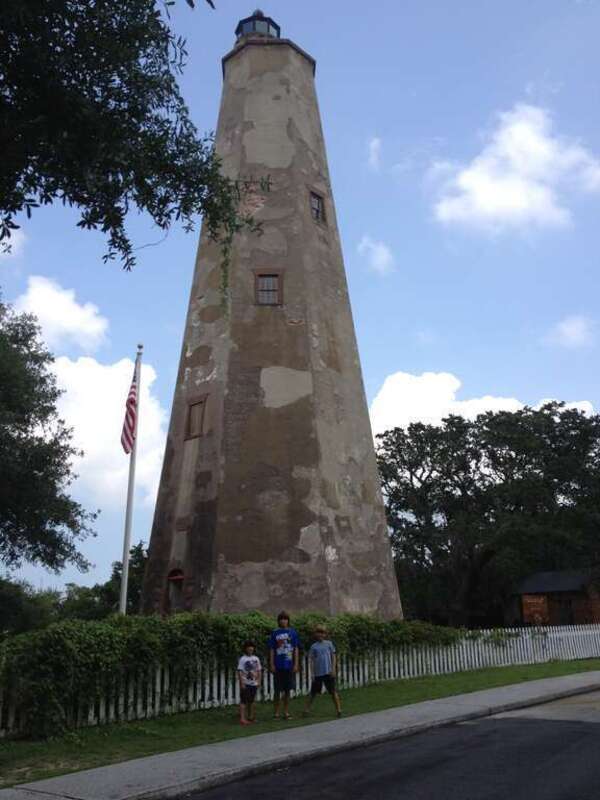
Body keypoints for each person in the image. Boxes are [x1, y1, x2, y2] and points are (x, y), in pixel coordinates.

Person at [302, 624, 342, 718]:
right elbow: (311, 660)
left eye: (322, 633)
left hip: (328, 672)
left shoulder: (329, 644)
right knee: (313, 693)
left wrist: (333, 669)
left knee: (333, 692)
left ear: (325, 634)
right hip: (318, 674)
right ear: (315, 634)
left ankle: (339, 710)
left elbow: (333, 657)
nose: (320, 635)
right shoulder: (313, 647)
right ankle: (306, 710)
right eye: (318, 632)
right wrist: (312, 674)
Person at [269, 610, 300, 720]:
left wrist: (296, 664)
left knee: (287, 690)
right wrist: (272, 664)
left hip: (289, 665)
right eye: (281, 619)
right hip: (278, 666)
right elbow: (272, 649)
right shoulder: (275, 633)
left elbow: (296, 649)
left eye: (285, 619)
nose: (283, 621)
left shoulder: (293, 633)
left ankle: (286, 712)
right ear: (278, 621)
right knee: (277, 690)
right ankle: (276, 713)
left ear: (288, 621)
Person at [237, 640, 261, 726]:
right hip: (246, 683)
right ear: (245, 649)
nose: (250, 649)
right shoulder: (243, 659)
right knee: (244, 701)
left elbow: (259, 670)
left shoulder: (256, 658)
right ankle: (242, 719)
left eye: (252, 647)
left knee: (252, 701)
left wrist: (258, 681)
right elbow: (239, 671)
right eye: (248, 647)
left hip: (253, 683)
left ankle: (251, 717)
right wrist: (242, 683)